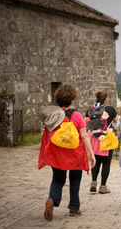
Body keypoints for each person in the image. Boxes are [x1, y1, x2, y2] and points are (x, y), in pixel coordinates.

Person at [38, 84, 96, 221]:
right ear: (71, 99)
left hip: (57, 151)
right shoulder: (77, 115)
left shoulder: (53, 115)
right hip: (74, 152)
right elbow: (84, 136)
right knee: (75, 179)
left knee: (58, 179)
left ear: (57, 100)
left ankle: (52, 199)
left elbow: (47, 134)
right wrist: (91, 153)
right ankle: (74, 208)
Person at [85, 90, 118, 194]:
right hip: (105, 137)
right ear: (106, 99)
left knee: (96, 160)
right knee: (106, 163)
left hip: (93, 137)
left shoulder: (90, 108)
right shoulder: (110, 108)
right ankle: (103, 186)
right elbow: (116, 121)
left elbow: (87, 122)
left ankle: (93, 183)